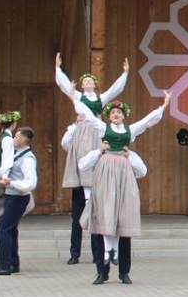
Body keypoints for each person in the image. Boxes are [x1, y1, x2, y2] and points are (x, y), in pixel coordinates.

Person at [75, 91, 170, 285]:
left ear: (124, 115)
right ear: (109, 116)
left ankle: (124, 271)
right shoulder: (102, 128)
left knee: (123, 222)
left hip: (123, 174)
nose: (116, 114)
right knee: (103, 220)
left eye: (119, 112)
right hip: (105, 173)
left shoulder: (130, 130)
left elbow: (147, 122)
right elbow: (88, 116)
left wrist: (164, 105)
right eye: (113, 112)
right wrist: (73, 97)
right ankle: (102, 271)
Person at [55, 53, 129, 265]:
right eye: (85, 80)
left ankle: (103, 253)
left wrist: (125, 73)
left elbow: (115, 90)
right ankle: (75, 252)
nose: (87, 82)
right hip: (82, 138)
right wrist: (58, 69)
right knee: (77, 215)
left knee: (98, 214)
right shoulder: (79, 101)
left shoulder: (101, 101)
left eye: (90, 80)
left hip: (95, 136)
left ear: (95, 84)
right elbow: (64, 87)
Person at [0, 127, 38, 275]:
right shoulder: (16, 154)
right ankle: (13, 264)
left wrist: (11, 183)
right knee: (11, 229)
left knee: (3, 229)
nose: (13, 139)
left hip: (18, 197)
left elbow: (30, 183)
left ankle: (4, 265)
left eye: (16, 137)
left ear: (23, 140)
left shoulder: (27, 159)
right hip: (12, 195)